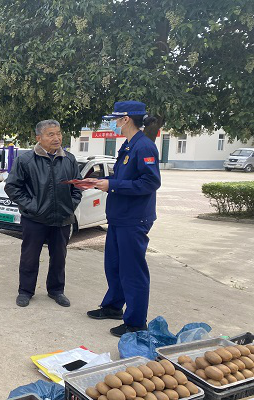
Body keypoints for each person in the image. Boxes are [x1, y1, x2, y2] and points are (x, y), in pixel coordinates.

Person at [86, 101, 161, 337]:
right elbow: (126, 178)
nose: (113, 124)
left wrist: (113, 185)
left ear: (126, 119)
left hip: (134, 219)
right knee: (114, 266)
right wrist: (102, 181)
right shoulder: (129, 145)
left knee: (132, 270)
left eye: (115, 119)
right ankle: (113, 306)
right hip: (119, 217)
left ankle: (136, 322)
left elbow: (150, 182)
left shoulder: (144, 146)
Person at [4, 120, 82, 308]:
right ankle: (25, 291)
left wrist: (69, 206)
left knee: (59, 257)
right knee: (30, 257)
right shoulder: (26, 160)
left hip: (62, 218)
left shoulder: (69, 159)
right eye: (51, 134)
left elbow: (78, 187)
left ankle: (56, 290)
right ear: (39, 138)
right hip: (35, 219)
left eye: (58, 133)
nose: (57, 138)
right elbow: (12, 187)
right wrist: (32, 207)